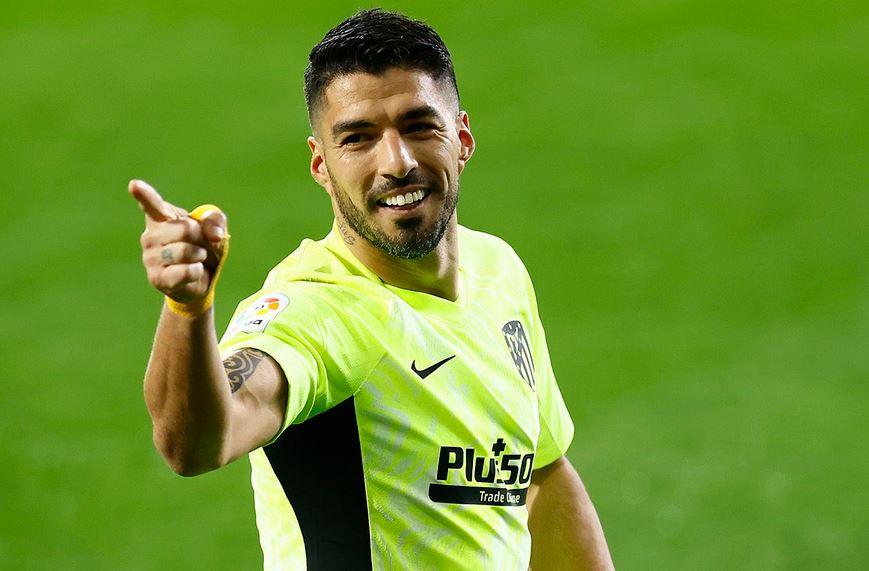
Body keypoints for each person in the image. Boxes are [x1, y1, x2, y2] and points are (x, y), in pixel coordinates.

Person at [129, 8, 613, 570]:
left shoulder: (498, 271)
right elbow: (193, 444)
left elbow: (543, 476)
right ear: (321, 164)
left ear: (462, 138)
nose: (397, 163)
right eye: (358, 139)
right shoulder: (319, 309)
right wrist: (188, 308)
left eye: (418, 126)